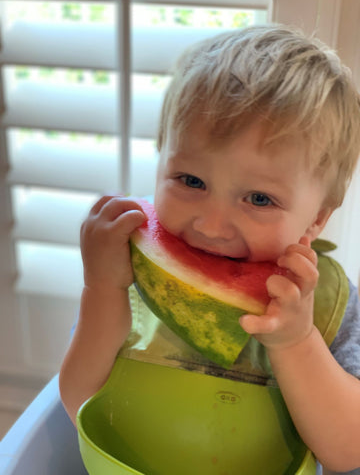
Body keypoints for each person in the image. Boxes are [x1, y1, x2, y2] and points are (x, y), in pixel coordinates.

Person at [59, 24, 360, 472]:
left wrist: (297, 342)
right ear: (162, 159)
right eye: (191, 181)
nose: (212, 226)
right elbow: (78, 401)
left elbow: (347, 452)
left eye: (259, 199)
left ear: (317, 218)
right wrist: (101, 288)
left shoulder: (330, 304)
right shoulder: (126, 273)